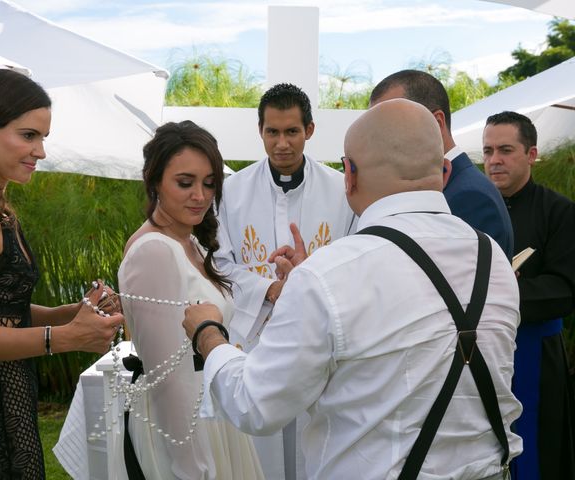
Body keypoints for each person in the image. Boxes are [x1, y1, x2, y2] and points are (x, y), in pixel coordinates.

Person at [183, 98, 523, 479]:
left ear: (349, 175)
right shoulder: (492, 259)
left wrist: (208, 334)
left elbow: (254, 404)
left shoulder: (329, 275)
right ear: (444, 171)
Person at [0, 69, 124, 479]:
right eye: (28, 135)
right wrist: (64, 338)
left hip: (5, 400)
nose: (40, 151)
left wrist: (71, 312)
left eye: (43, 138)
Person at [215, 83, 355, 479]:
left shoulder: (341, 191)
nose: (281, 144)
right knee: (260, 451)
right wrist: (271, 289)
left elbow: (354, 256)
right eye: (272, 132)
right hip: (255, 339)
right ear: (260, 130)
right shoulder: (230, 192)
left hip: (320, 336)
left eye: (291, 131)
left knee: (317, 443)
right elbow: (220, 263)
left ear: (309, 130)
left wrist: (309, 279)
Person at [117, 120, 264, 480]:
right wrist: (193, 468)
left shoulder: (189, 243)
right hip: (183, 430)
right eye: (185, 183)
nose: (200, 195)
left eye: (209, 184)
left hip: (212, 416)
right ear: (154, 181)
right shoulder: (154, 251)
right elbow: (168, 378)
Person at [483, 111, 575, 479]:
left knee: (536, 458)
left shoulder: (560, 212)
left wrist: (505, 288)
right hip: (482, 353)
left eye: (506, 150)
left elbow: (566, 289)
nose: (494, 160)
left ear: (531, 154)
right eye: (488, 151)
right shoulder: (469, 209)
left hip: (535, 356)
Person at [369, 69, 514, 259]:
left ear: (436, 123)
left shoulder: (470, 196)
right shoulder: (457, 186)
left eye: (391, 124)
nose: (381, 139)